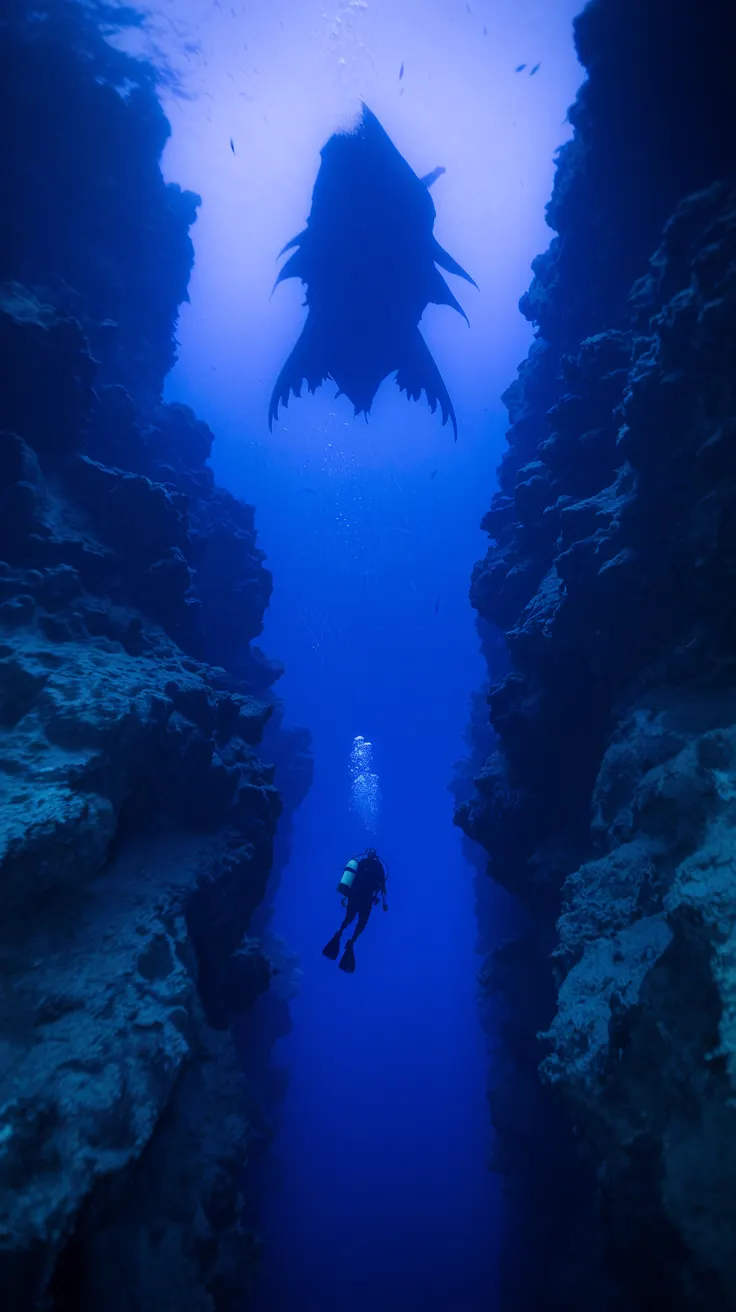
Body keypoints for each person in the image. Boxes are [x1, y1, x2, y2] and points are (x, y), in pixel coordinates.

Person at [322, 847, 388, 973]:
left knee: (348, 918)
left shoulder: (360, 863)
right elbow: (383, 888)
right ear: (375, 856)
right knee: (361, 923)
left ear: (367, 854)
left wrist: (344, 897)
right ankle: (352, 941)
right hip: (367, 900)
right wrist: (384, 904)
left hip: (354, 897)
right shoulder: (379, 867)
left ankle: (339, 933)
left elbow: (351, 881)